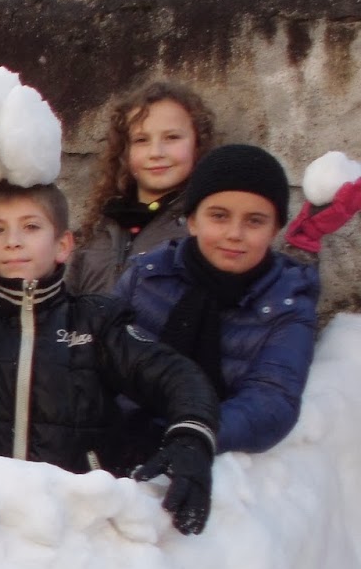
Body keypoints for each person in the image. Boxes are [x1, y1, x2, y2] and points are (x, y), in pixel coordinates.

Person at [0, 120, 221, 534]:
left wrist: (191, 438)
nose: (14, 241)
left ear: (63, 245)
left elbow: (177, 375)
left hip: (67, 536)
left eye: (31, 227)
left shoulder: (96, 321)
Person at [110, 144, 320, 455]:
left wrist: (194, 433)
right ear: (193, 220)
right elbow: (96, 360)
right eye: (219, 216)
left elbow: (271, 400)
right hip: (120, 441)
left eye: (255, 221)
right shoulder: (146, 277)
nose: (235, 233)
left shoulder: (286, 304)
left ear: (275, 228)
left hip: (212, 454)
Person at [67, 81, 217, 295]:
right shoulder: (100, 226)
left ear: (198, 143)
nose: (156, 152)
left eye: (172, 137)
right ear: (124, 151)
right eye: (141, 140)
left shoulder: (203, 230)